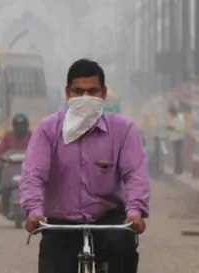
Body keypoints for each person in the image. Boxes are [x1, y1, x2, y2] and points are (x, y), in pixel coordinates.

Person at [20, 58, 149, 273]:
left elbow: (135, 174)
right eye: (79, 92)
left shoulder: (123, 129)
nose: (86, 98)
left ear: (103, 93)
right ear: (67, 93)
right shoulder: (48, 130)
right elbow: (33, 174)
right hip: (62, 222)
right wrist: (33, 210)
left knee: (123, 248)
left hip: (108, 218)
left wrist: (135, 211)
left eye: (93, 91)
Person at [0, 113, 32, 211]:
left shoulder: (32, 136)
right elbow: (0, 151)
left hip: (28, 165)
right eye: (18, 125)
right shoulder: (8, 136)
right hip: (10, 165)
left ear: (26, 126)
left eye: (22, 125)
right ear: (14, 126)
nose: (20, 128)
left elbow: (40, 149)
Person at [166, 103, 185, 175]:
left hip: (178, 138)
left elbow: (180, 129)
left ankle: (179, 170)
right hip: (174, 138)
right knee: (176, 154)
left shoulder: (180, 117)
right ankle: (177, 169)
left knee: (178, 154)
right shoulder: (175, 117)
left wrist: (171, 128)